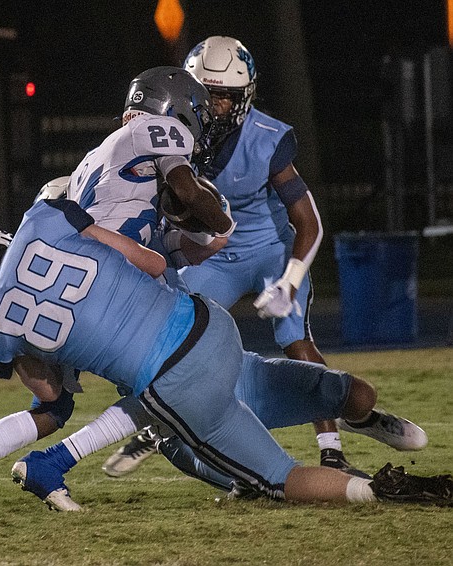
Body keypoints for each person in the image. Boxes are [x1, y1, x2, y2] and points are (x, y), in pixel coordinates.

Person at [0, 197, 450, 515]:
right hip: (207, 324)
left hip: (173, 384)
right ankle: (356, 406)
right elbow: (149, 263)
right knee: (283, 383)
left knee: (276, 479)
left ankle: (381, 491)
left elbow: (52, 397)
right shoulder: (43, 217)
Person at [105, 36, 359, 477]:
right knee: (172, 339)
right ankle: (156, 424)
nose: (216, 105)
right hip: (214, 256)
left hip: (269, 250)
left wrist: (291, 280)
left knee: (296, 339)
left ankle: (332, 448)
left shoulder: (267, 138)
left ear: (244, 97)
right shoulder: (173, 132)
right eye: (208, 93)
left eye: (226, 95)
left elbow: (309, 222)